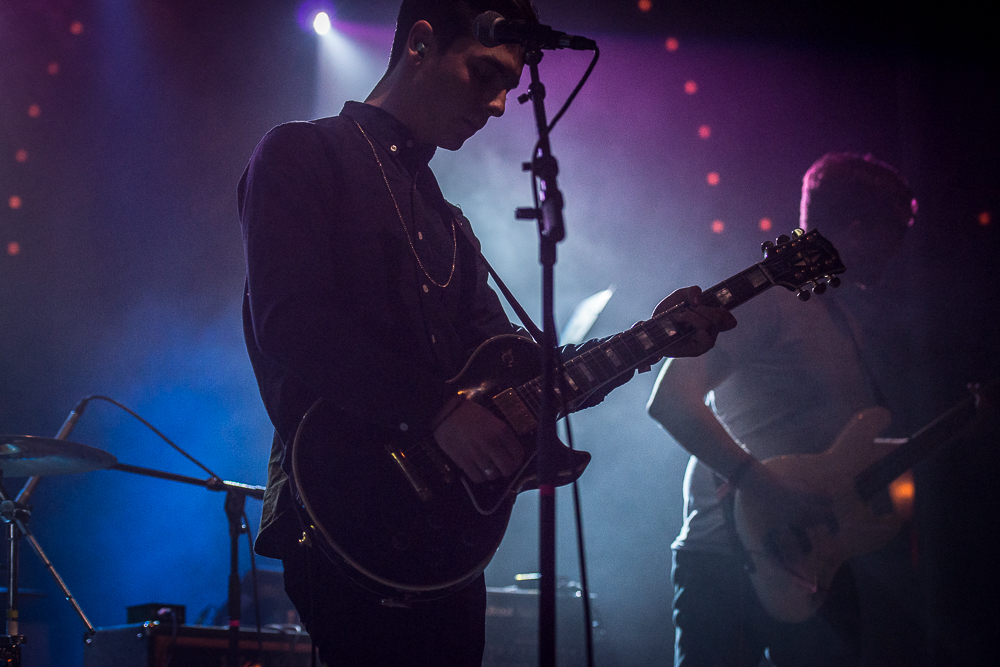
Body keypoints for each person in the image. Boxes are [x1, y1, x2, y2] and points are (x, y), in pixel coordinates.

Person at [238, 1, 736, 664]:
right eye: (484, 75)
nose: (500, 105)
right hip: (345, 510)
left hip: (449, 546)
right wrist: (436, 408)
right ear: (420, 45)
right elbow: (289, 322)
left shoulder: (450, 224)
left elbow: (523, 377)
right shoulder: (303, 153)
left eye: (509, 85)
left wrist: (653, 337)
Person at [647, 152, 918, 667]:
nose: (901, 247)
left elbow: (830, 451)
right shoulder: (771, 299)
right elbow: (670, 401)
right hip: (728, 557)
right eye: (897, 230)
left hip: (812, 556)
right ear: (858, 230)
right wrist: (764, 485)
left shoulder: (836, 316)